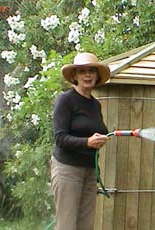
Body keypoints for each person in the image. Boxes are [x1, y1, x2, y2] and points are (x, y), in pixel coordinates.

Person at [51, 52, 110, 230]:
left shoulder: (95, 104)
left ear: (97, 75)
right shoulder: (65, 100)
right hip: (67, 169)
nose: (87, 75)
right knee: (67, 225)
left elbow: (96, 133)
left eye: (91, 71)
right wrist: (87, 142)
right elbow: (60, 138)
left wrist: (99, 140)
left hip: (89, 171)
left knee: (86, 225)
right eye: (82, 71)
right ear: (74, 76)